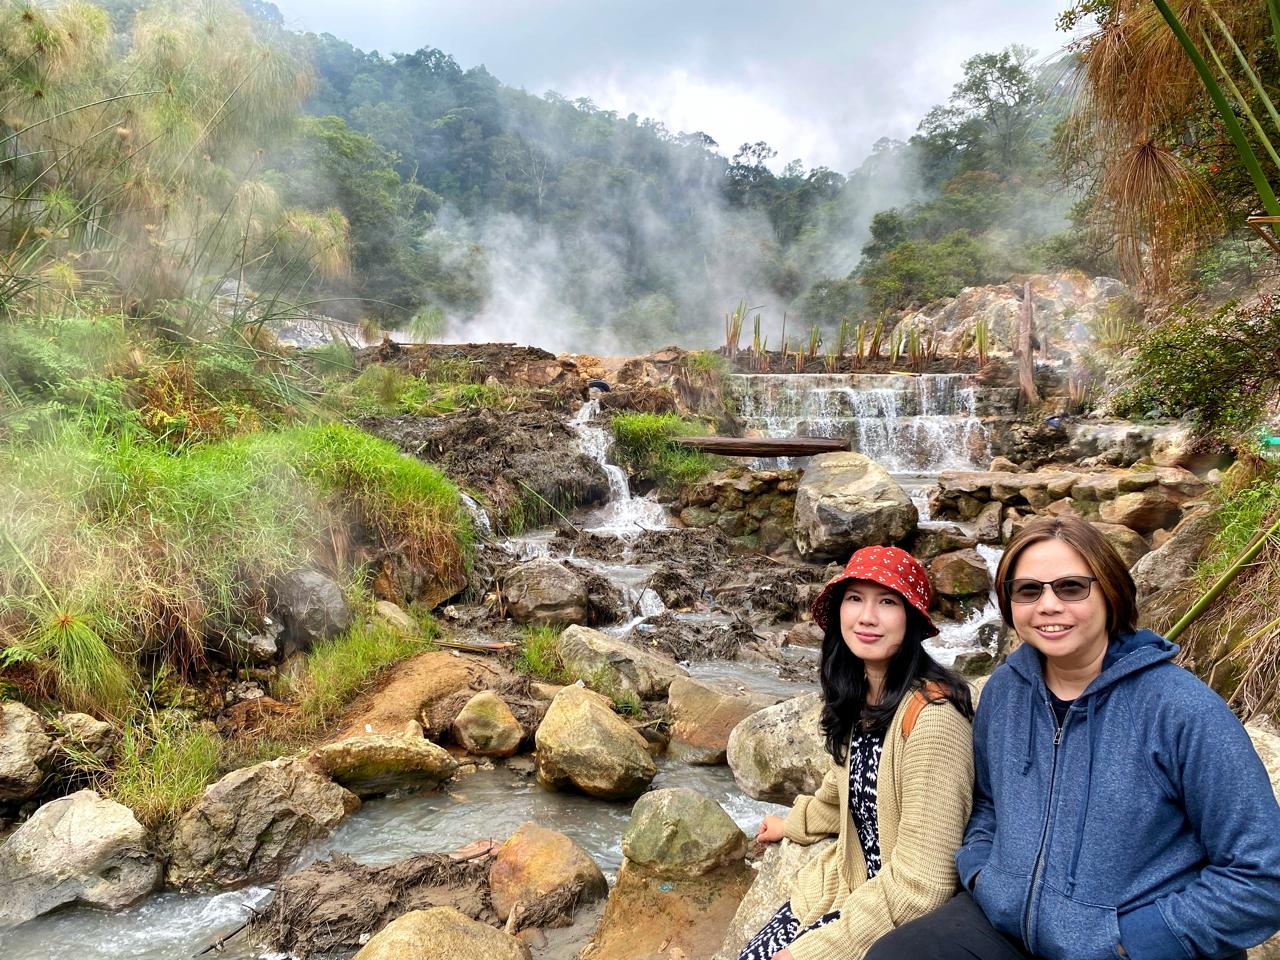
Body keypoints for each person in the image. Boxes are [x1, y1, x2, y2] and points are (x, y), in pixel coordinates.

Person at [868, 516, 1280, 960]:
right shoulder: (1004, 691)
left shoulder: (1179, 709)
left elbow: (1263, 875)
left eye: (1070, 587)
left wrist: (1137, 939)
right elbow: (987, 803)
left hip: (1130, 946)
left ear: (1110, 592)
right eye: (1028, 590)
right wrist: (982, 873)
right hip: (1009, 921)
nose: (1048, 605)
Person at [738, 545, 976, 960]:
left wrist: (810, 954)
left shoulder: (933, 720)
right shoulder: (861, 696)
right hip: (849, 884)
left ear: (912, 619)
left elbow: (924, 885)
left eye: (887, 602)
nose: (867, 617)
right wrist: (791, 824)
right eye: (855, 599)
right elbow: (842, 797)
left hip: (896, 924)